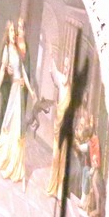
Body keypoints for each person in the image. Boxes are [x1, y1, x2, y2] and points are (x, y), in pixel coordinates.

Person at [0, 19, 36, 184]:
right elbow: (3, 70)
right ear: (7, 33)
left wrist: (31, 90)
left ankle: (13, 163)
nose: (14, 33)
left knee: (17, 128)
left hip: (19, 91)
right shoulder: (7, 50)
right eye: (11, 31)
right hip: (14, 89)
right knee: (11, 125)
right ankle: (5, 158)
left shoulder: (16, 48)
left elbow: (23, 71)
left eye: (15, 31)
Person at [46, 53, 74, 197]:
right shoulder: (61, 79)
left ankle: (60, 189)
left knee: (63, 158)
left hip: (66, 127)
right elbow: (54, 71)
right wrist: (52, 59)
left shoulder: (70, 87)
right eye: (65, 65)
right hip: (59, 125)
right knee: (56, 156)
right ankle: (53, 186)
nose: (66, 68)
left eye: (69, 66)